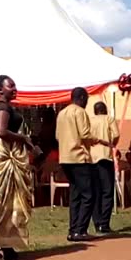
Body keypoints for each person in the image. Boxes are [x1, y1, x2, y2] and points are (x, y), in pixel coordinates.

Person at [0, 72, 35, 260]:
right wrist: (23, 138)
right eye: (11, 86)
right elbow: (2, 132)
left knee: (12, 205)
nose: (15, 89)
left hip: (10, 162)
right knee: (3, 205)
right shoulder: (2, 107)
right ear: (0, 90)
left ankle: (7, 244)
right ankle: (1, 245)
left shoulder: (6, 106)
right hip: (3, 163)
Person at [56, 87, 99, 242]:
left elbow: (57, 135)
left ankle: (73, 230)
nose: (87, 102)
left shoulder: (61, 113)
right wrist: (97, 140)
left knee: (75, 195)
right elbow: (85, 134)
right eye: (86, 99)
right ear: (81, 98)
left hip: (65, 158)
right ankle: (80, 230)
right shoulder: (80, 112)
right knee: (89, 195)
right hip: (79, 158)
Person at [89, 102, 119, 235]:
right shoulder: (109, 119)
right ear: (105, 110)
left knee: (95, 192)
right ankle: (104, 224)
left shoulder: (89, 120)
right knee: (107, 191)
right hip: (105, 157)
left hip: (91, 158)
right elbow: (116, 134)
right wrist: (112, 143)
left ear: (95, 111)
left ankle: (97, 223)